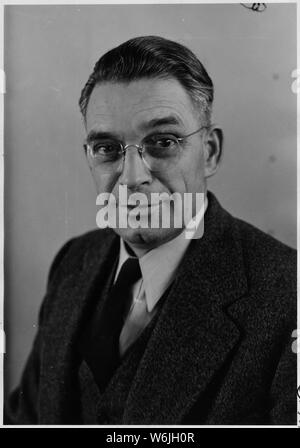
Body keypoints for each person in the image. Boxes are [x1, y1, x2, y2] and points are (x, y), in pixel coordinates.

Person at [5, 35, 296, 425]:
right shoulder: (74, 262)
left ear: (209, 152)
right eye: (106, 148)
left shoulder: (288, 294)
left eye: (162, 142)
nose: (132, 178)